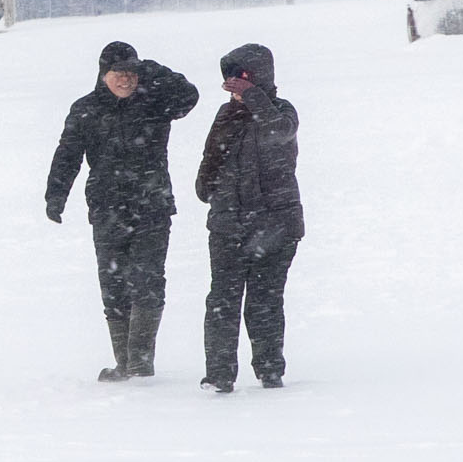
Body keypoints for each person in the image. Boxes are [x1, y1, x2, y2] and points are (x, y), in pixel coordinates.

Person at [44, 38, 199, 380]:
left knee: (147, 280)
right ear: (103, 75)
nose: (127, 80)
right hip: (107, 209)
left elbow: (190, 95)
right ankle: (125, 363)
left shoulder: (155, 102)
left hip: (152, 206)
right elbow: (67, 154)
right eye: (119, 73)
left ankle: (140, 363)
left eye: (132, 73)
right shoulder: (85, 109)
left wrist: (151, 68)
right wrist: (55, 195)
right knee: (114, 286)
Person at [192, 42, 303, 391]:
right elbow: (211, 157)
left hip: (275, 225)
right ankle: (219, 375)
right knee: (222, 301)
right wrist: (206, 189)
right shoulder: (225, 115)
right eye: (231, 78)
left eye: (242, 77)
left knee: (265, 301)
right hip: (227, 225)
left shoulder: (282, 111)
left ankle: (270, 371)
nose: (234, 84)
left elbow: (278, 133)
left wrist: (254, 97)